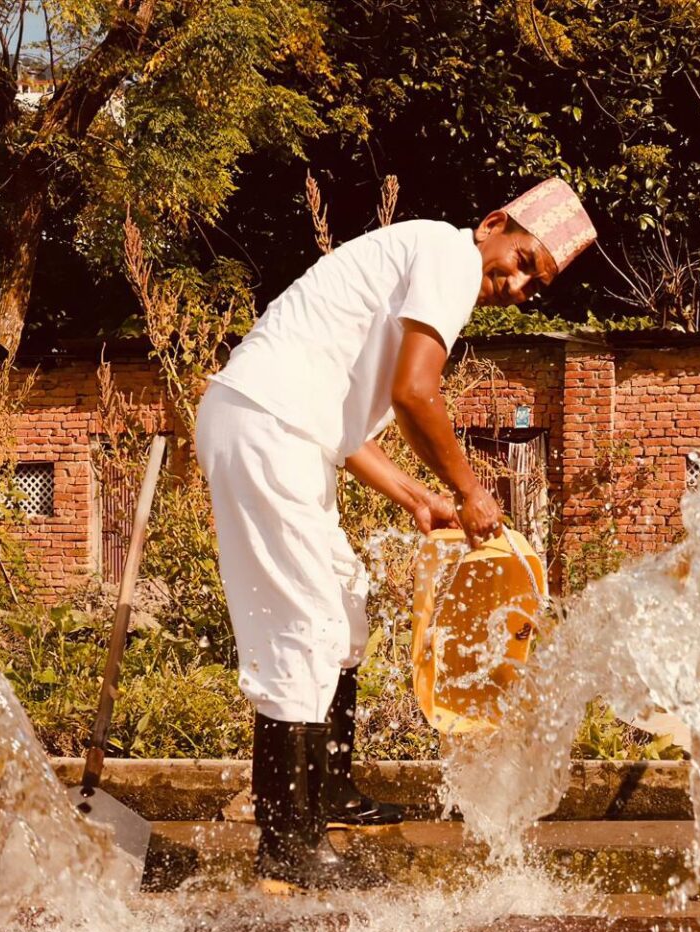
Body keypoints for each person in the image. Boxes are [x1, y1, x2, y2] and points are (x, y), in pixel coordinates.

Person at [195, 179, 596, 892]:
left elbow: (345, 433)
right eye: (524, 261)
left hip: (285, 428)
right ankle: (288, 846)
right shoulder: (448, 256)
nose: (519, 285)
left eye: (536, 285)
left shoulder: (422, 269)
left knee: (343, 604)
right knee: (305, 625)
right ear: (494, 224)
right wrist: (470, 491)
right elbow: (416, 392)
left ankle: (329, 794)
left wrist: (420, 498)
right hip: (264, 426)